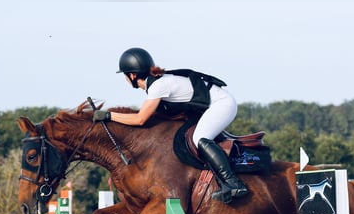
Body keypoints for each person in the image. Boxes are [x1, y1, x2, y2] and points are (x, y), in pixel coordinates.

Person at [93, 47, 248, 203]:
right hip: (209, 106)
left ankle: (233, 183)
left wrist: (108, 115)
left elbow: (140, 119)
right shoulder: (155, 83)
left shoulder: (158, 86)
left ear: (132, 75)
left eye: (125, 75)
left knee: (199, 138)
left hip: (221, 104)